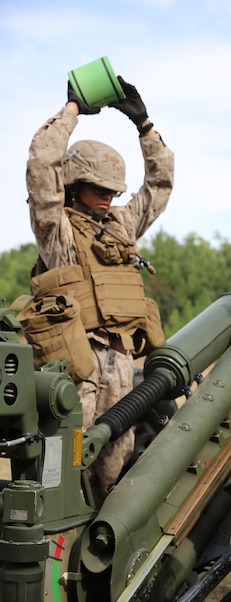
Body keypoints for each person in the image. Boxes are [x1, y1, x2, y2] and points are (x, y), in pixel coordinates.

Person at [23, 76, 175, 504]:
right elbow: (40, 168)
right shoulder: (60, 233)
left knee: (114, 470)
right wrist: (70, 111)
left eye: (113, 191)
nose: (108, 198)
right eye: (98, 189)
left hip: (122, 364)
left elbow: (158, 188)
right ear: (74, 187)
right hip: (79, 370)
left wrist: (145, 127)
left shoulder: (121, 227)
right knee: (61, 473)